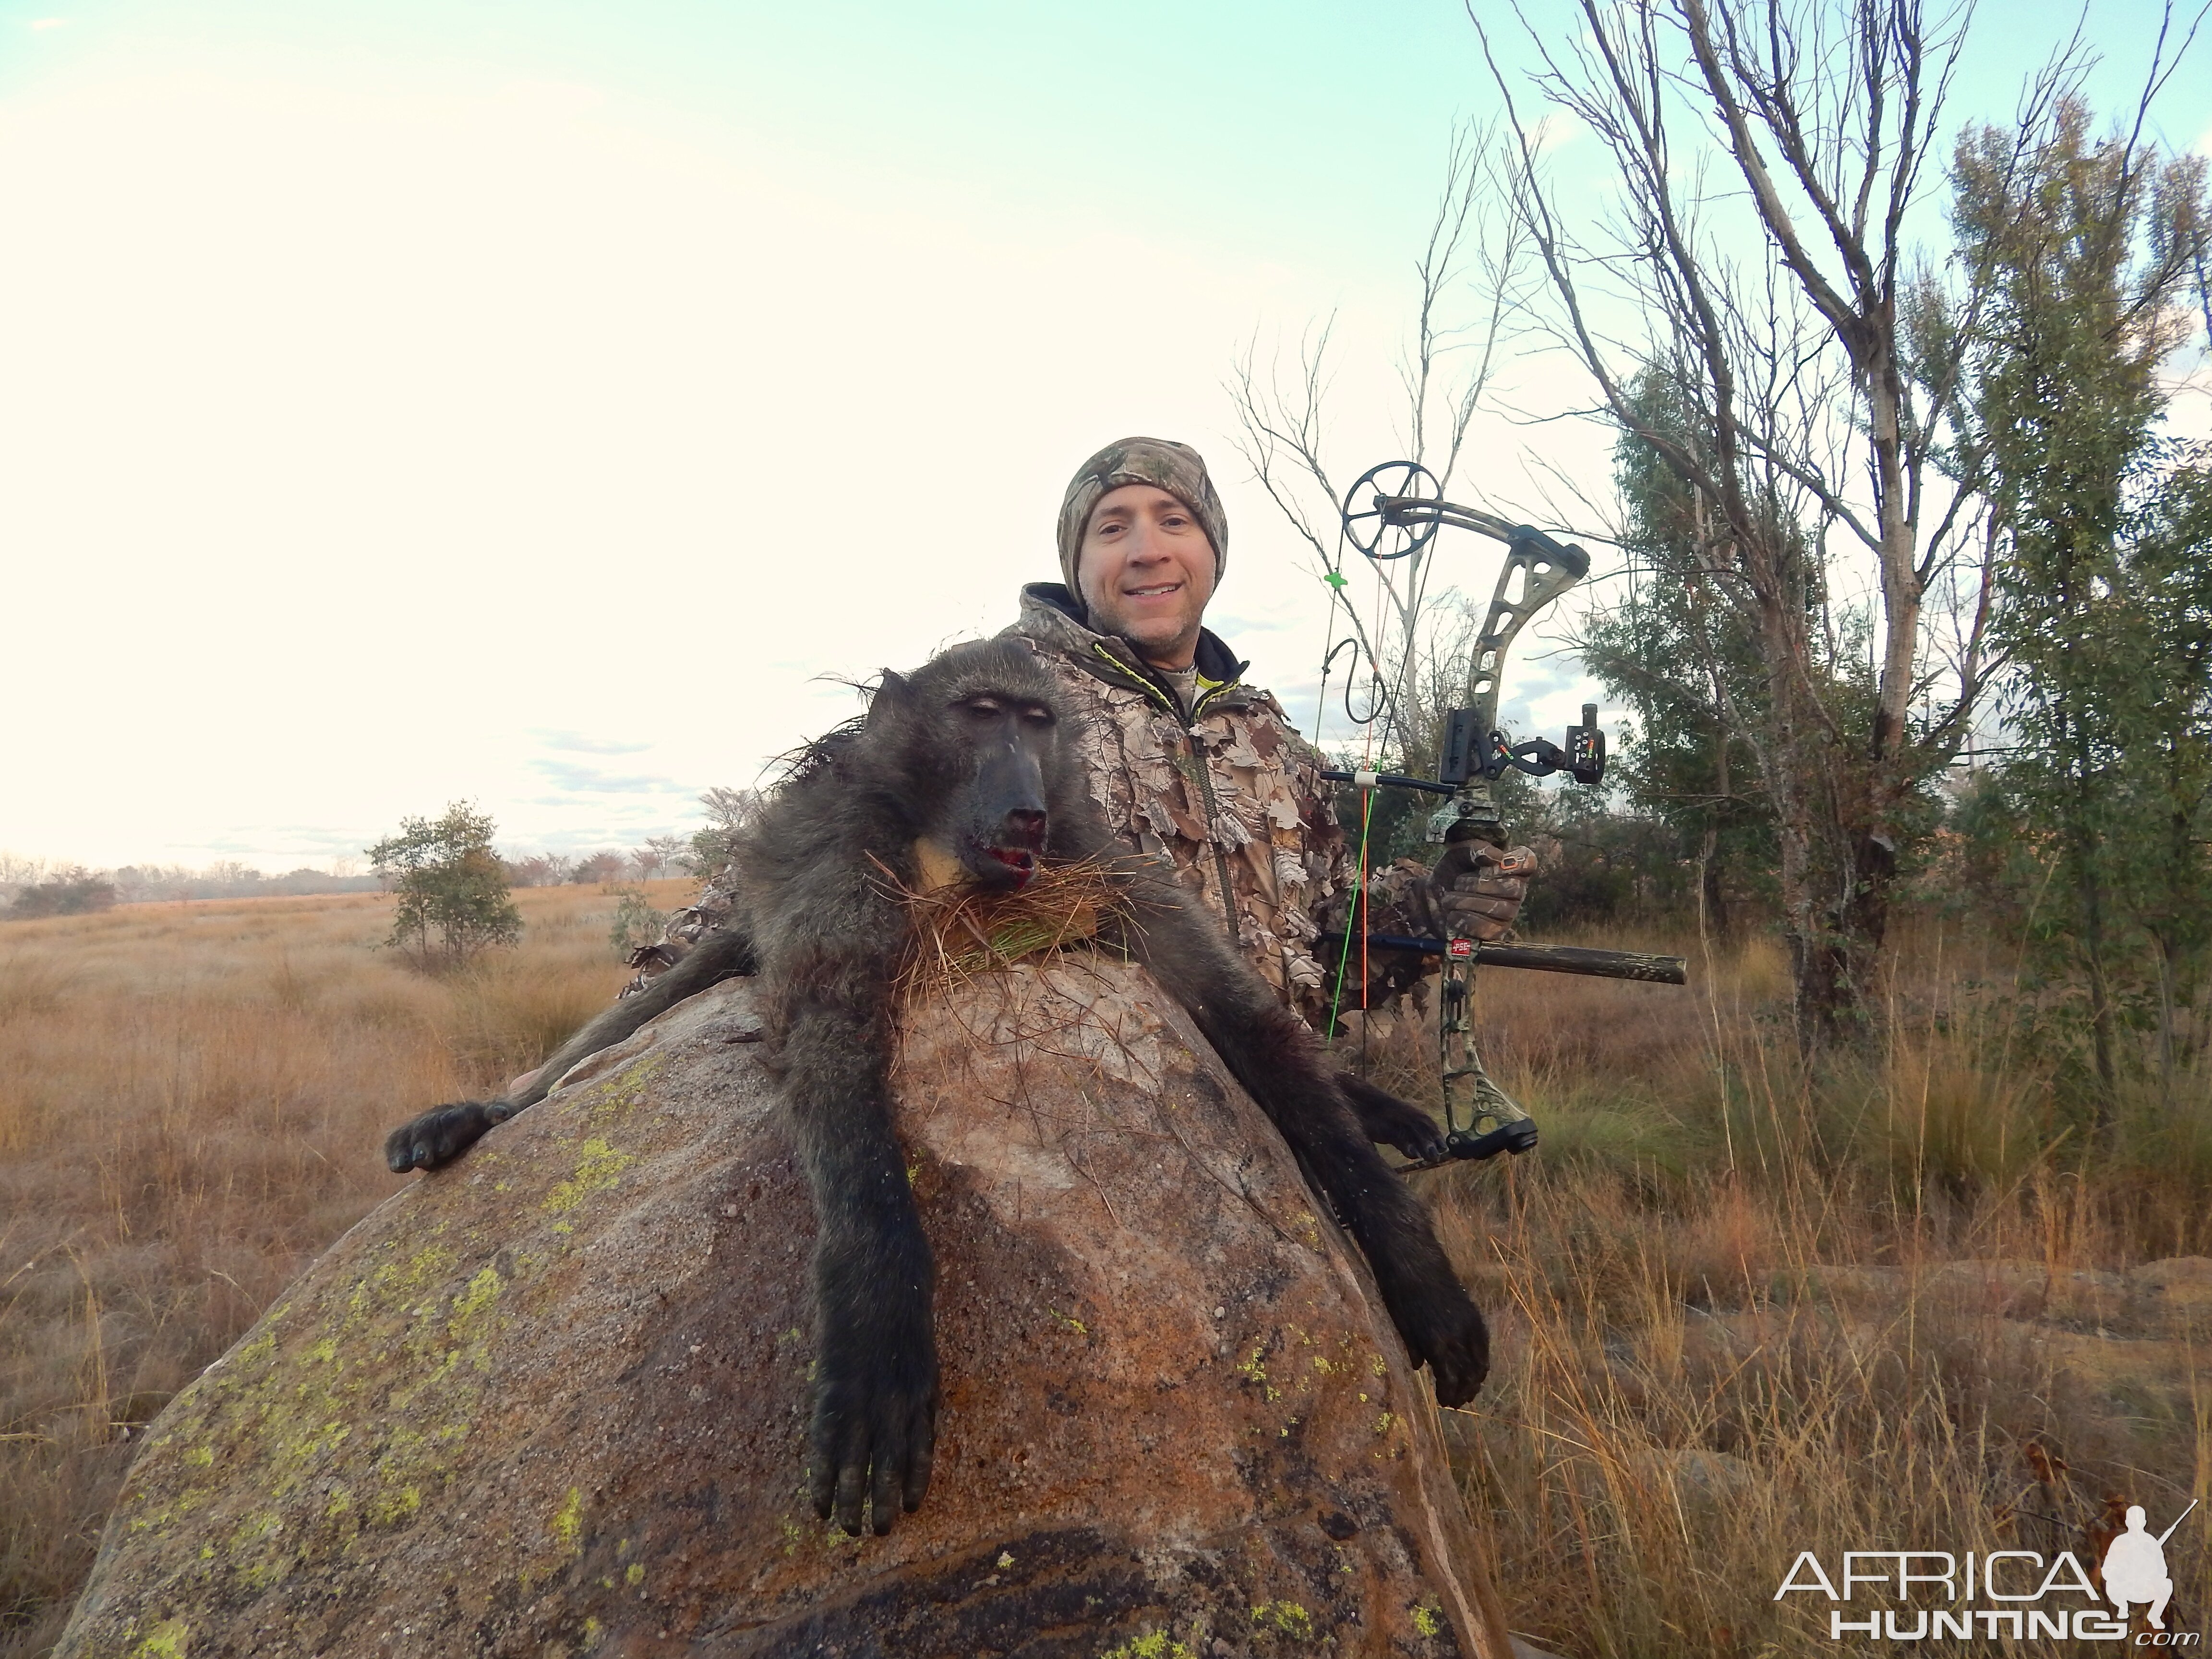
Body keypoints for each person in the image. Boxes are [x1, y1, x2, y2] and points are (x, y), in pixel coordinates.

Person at [625, 435, 1533, 1040]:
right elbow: (781, 882)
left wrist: (1431, 911)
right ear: (1078, 560)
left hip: (1277, 1140)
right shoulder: (989, 695)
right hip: (1080, 1124)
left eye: (1175, 522)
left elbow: (1326, 961)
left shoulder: (1267, 740)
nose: (1147, 549)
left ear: (1211, 552)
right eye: (1113, 528)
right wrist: (631, 1023)